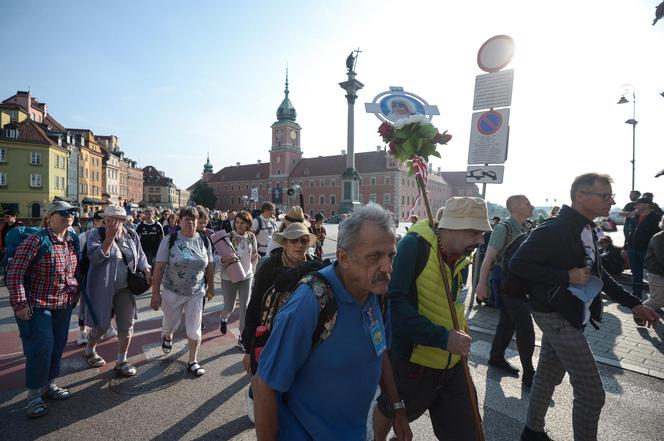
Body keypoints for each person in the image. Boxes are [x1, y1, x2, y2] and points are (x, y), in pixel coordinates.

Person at [511, 173, 659, 441]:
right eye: (605, 196)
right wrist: (565, 275)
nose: (612, 200)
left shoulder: (589, 228)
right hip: (555, 314)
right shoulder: (553, 229)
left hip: (571, 311)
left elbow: (598, 276)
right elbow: (518, 265)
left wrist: (634, 303)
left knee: (547, 376)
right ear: (580, 196)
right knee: (592, 393)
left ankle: (532, 432)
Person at [253, 204, 411, 441]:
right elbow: (264, 385)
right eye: (375, 257)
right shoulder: (312, 302)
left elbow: (381, 351)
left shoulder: (376, 295)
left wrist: (396, 408)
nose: (388, 268)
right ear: (344, 258)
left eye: (391, 255)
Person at [372, 197, 488, 441]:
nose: (480, 240)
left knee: (467, 432)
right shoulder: (414, 246)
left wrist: (461, 331)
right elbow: (396, 303)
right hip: (414, 360)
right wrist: (442, 337)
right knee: (390, 409)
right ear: (454, 226)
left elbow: (454, 302)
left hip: (453, 362)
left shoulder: (463, 254)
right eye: (475, 232)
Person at [7, 201, 80, 418]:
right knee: (41, 347)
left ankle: (49, 385)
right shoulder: (36, 241)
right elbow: (15, 273)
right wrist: (20, 303)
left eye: (72, 212)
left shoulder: (71, 241)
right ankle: (34, 395)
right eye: (63, 212)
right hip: (37, 304)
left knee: (57, 345)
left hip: (62, 304)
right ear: (50, 217)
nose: (69, 215)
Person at [82, 205, 152, 377]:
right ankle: (90, 349)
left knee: (127, 325)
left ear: (123, 221)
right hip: (101, 289)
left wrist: (147, 269)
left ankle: (122, 361)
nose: (112, 222)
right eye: (109, 218)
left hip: (124, 288)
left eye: (117, 219)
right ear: (105, 220)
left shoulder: (131, 235)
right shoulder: (95, 234)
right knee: (101, 326)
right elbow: (95, 258)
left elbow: (140, 256)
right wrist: (108, 239)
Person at [476, 195, 536, 386]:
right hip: (506, 283)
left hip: (520, 283)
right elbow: (488, 258)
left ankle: (496, 357)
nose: (531, 206)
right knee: (525, 326)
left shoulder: (526, 228)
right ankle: (529, 373)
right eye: (527, 203)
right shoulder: (504, 228)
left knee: (507, 323)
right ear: (516, 207)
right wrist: (481, 284)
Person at [150, 207, 215, 376]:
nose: (190, 222)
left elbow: (209, 265)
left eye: (193, 219)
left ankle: (193, 361)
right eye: (186, 219)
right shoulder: (170, 240)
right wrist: (155, 293)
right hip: (172, 291)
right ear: (179, 221)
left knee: (194, 328)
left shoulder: (204, 240)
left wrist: (211, 287)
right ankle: (168, 336)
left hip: (196, 291)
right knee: (170, 324)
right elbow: (158, 268)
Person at [219, 210, 258, 347]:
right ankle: (223, 317)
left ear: (248, 224)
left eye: (243, 223)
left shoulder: (252, 237)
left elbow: (254, 256)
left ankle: (242, 336)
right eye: (237, 222)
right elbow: (219, 258)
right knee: (229, 306)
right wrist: (224, 259)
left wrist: (253, 262)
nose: (239, 225)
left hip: (246, 276)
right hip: (229, 277)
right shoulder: (228, 236)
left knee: (245, 307)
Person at [76, 211, 104, 345]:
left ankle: (100, 328)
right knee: (84, 305)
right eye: (102, 221)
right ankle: (82, 332)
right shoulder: (84, 236)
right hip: (87, 275)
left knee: (102, 304)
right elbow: (80, 258)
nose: (105, 223)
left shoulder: (109, 234)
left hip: (102, 276)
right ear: (95, 222)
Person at [625, 196, 661, 299]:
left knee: (652, 276)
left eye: (638, 204)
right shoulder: (634, 217)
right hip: (633, 249)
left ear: (646, 205)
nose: (635, 206)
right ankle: (636, 295)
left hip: (647, 251)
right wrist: (625, 247)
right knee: (636, 274)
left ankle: (655, 300)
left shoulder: (656, 218)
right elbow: (629, 233)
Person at [643, 215, 664, 313]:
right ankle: (639, 312)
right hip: (656, 272)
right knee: (657, 300)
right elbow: (662, 257)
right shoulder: (659, 237)